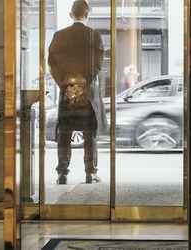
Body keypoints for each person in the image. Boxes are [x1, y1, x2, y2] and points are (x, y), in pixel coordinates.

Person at [48, 0, 105, 185]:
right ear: (87, 15)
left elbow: (53, 65)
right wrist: (82, 85)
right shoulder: (94, 36)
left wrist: (67, 86)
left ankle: (62, 173)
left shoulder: (59, 35)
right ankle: (91, 173)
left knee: (65, 133)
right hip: (87, 96)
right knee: (90, 134)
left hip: (67, 94)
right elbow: (96, 65)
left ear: (71, 14)